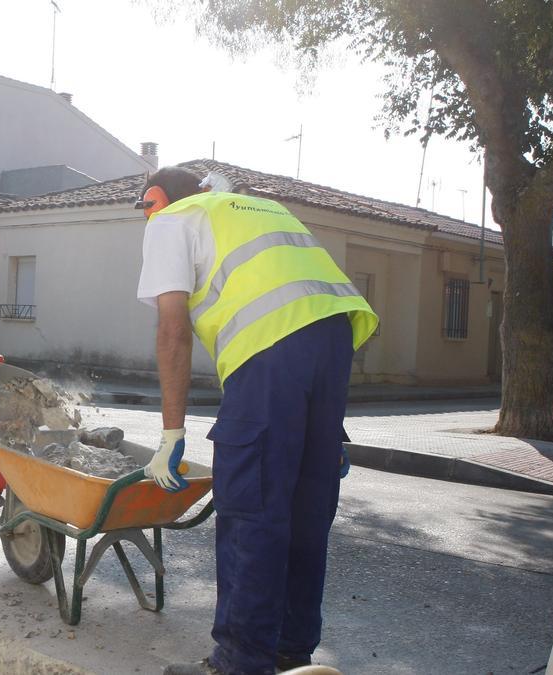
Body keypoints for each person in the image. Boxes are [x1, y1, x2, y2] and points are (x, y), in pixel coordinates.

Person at [135, 167, 377, 675]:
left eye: (144, 208)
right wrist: (326, 429)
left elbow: (172, 332)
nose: (145, 219)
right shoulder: (256, 209)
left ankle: (240, 664)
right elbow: (299, 297)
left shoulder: (171, 219)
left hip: (270, 348)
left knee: (253, 507)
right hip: (334, 339)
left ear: (155, 199)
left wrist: (172, 433)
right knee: (307, 508)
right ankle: (292, 652)